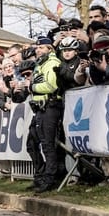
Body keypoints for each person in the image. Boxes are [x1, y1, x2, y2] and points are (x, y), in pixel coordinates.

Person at [26, 35, 65, 192]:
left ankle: (50, 179)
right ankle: (40, 176)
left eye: (41, 47)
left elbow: (51, 86)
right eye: (37, 48)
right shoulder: (40, 64)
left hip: (50, 106)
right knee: (31, 143)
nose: (38, 50)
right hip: (39, 108)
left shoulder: (52, 63)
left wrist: (32, 87)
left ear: (50, 49)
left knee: (48, 145)